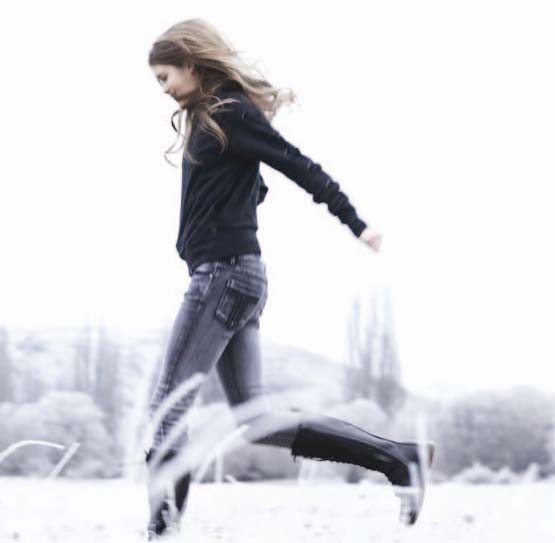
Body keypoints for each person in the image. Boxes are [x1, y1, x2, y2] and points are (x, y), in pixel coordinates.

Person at [145, 18, 435, 541]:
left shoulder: (228, 112)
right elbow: (247, 184)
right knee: (256, 421)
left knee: (168, 404)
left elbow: (297, 164)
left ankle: (160, 533)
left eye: (165, 77)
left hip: (222, 277)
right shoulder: (212, 120)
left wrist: (355, 222)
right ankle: (398, 459)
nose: (162, 89)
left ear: (190, 63)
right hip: (237, 277)